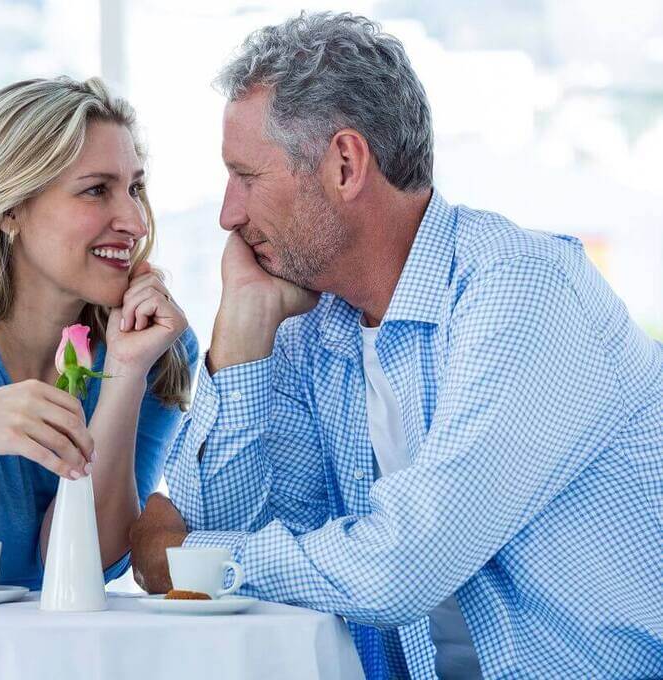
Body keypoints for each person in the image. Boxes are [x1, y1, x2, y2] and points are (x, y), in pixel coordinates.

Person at [128, 12, 663, 679]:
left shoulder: (521, 294)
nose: (228, 215)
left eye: (248, 176)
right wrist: (239, 345)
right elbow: (219, 531)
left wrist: (193, 554)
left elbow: (399, 567)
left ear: (346, 164)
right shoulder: (311, 328)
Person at [0, 75, 197, 591]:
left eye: (135, 188)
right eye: (97, 190)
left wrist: (124, 372)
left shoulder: (159, 349)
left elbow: (71, 565)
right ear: (9, 208)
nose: (137, 222)